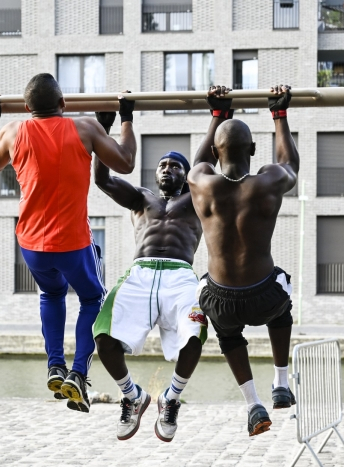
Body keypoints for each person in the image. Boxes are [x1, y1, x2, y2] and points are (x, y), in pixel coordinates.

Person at [0, 73, 137, 413]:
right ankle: (78, 373)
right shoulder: (84, 128)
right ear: (63, 103)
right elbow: (126, 161)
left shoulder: (13, 131)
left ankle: (55, 365)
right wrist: (125, 118)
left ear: (25, 107)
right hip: (72, 242)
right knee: (93, 298)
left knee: (52, 294)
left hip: (32, 243)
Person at [92, 109, 214, 443]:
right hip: (140, 273)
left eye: (175, 165)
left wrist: (218, 115)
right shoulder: (141, 198)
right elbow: (102, 179)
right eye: (163, 164)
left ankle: (170, 397)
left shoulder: (196, 199)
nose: (168, 168)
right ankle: (132, 395)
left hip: (180, 276)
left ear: (186, 174)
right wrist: (104, 128)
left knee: (195, 335)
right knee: (102, 335)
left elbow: (209, 159)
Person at [188, 84, 299, 437]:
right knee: (283, 304)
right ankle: (280, 382)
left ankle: (253, 406)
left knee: (227, 333)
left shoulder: (201, 183)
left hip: (221, 301)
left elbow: (197, 162)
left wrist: (217, 114)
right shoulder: (267, 183)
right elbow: (290, 164)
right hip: (264, 296)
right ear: (252, 149)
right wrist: (279, 113)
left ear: (217, 152)